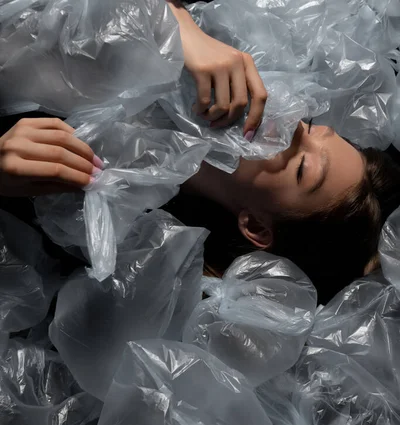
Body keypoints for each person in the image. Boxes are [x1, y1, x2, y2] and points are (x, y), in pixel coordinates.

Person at [0, 1, 399, 303]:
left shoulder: (96, 222)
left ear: (256, 227)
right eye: (311, 128)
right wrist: (178, 23)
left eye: (300, 167)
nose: (293, 127)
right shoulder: (231, 48)